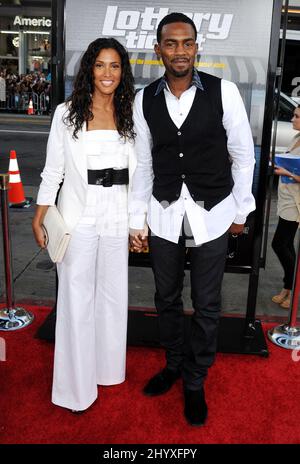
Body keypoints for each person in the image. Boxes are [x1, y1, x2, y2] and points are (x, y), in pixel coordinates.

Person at [129, 12, 256, 426]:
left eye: (186, 43)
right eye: (171, 43)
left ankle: (196, 380)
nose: (179, 51)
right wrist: (138, 218)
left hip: (214, 211)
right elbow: (143, 163)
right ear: (158, 50)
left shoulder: (225, 92)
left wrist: (241, 210)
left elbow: (242, 154)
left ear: (196, 47)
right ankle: (173, 363)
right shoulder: (143, 98)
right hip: (163, 212)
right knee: (165, 297)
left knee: (207, 302)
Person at [32, 38, 136, 413]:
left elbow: (142, 173)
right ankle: (75, 389)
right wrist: (40, 212)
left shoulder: (130, 113)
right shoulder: (66, 113)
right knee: (76, 300)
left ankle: (106, 371)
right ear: (89, 69)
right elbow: (54, 169)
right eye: (100, 65)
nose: (107, 74)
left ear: (123, 72)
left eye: (115, 66)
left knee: (112, 297)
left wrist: (137, 222)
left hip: (116, 214)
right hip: (80, 213)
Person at [271, 105, 300, 309]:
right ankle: (288, 289)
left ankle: (292, 288)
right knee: (286, 245)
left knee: (279, 244)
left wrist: (287, 173)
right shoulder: (296, 139)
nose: (292, 119)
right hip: (286, 200)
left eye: (297, 116)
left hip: (295, 205)